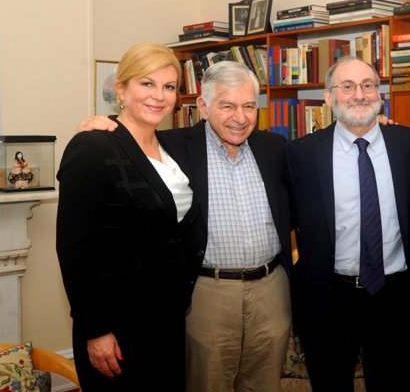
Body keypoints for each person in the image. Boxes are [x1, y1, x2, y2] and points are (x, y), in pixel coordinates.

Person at [76, 60, 291, 392]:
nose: (241, 116)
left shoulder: (275, 147)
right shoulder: (169, 146)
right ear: (203, 107)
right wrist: (99, 126)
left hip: (271, 291)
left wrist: (376, 126)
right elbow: (127, 144)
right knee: (206, 383)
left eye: (249, 106)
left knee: (264, 383)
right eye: (227, 106)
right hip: (206, 293)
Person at [57, 42, 196, 391]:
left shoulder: (172, 146)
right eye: (146, 84)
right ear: (121, 90)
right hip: (117, 326)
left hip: (167, 319)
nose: (159, 96)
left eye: (169, 87)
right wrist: (96, 330)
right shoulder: (93, 147)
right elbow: (75, 249)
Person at [286, 56, 410, 392]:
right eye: (347, 87)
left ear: (379, 94)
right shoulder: (299, 154)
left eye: (368, 85)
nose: (359, 94)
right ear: (328, 96)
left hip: (396, 296)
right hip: (328, 297)